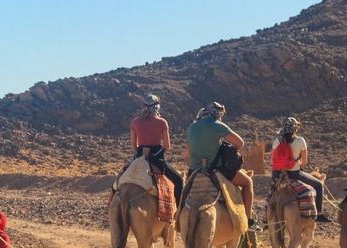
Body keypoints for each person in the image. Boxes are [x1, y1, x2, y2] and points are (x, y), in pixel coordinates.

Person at [186, 101, 259, 230]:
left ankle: (177, 216)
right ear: (217, 114)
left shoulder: (192, 126)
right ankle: (248, 221)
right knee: (248, 183)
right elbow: (240, 143)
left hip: (194, 170)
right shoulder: (218, 125)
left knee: (183, 192)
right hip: (215, 169)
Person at [270, 117, 331, 222]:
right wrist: (297, 165)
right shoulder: (300, 141)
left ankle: (266, 220)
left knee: (271, 195)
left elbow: (272, 160)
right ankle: (319, 214)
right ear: (296, 128)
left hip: (277, 175)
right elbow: (305, 161)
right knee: (318, 185)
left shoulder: (277, 140)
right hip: (294, 174)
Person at [129, 94, 183, 200]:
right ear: (157, 107)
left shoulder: (135, 122)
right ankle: (178, 210)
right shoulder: (162, 122)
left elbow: (134, 147)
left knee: (120, 179)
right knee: (178, 181)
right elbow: (167, 147)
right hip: (157, 157)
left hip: (139, 156)